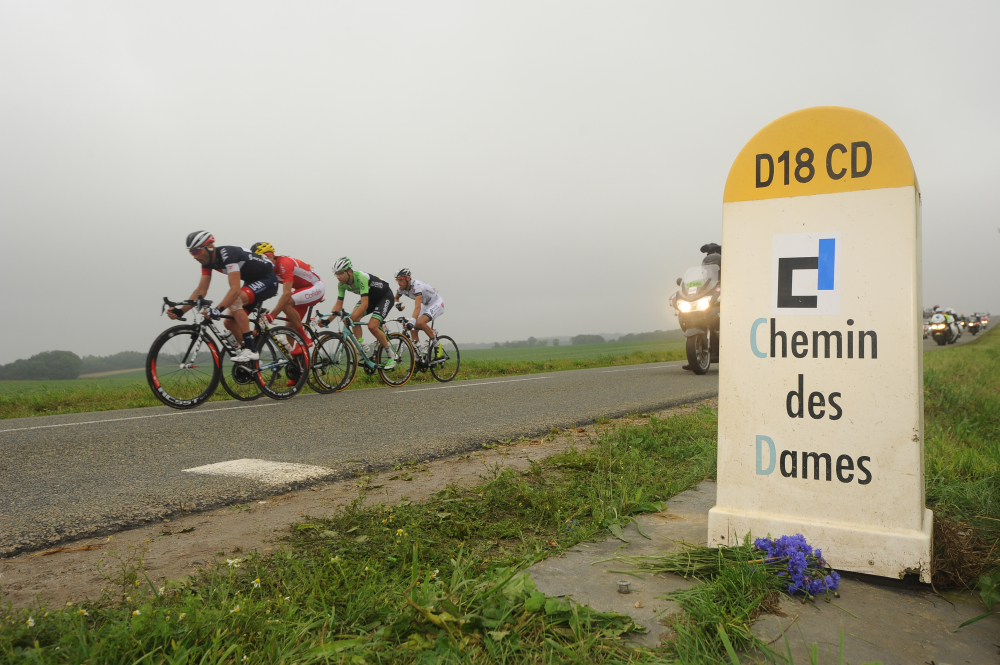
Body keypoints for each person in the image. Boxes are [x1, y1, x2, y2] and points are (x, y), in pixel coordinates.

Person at [169, 231, 278, 362]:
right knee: (229, 322)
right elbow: (201, 290)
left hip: (268, 280)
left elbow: (235, 289)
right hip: (251, 282)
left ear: (209, 247)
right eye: (191, 252)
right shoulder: (207, 263)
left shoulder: (228, 255)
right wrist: (181, 310)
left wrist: (217, 309)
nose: (194, 256)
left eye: (196, 251)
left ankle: (251, 350)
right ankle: (252, 361)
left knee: (234, 302)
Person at [320, 257, 399, 370]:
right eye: (336, 274)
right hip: (370, 298)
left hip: (384, 297)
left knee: (371, 326)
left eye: (341, 273)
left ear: (349, 271)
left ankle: (392, 355)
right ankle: (362, 348)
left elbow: (365, 305)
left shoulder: (361, 277)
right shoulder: (341, 284)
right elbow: (338, 305)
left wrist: (351, 318)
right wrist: (327, 320)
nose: (338, 277)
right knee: (353, 317)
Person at [250, 242, 325, 356]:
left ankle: (305, 339)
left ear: (270, 256)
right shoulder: (268, 270)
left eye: (260, 259)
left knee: (285, 303)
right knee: (289, 328)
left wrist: (272, 315)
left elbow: (286, 295)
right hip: (302, 291)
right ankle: (297, 364)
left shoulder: (284, 263)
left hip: (316, 287)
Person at [392, 268, 444, 358]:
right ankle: (417, 357)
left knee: (419, 322)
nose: (398, 283)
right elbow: (396, 298)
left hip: (436, 303)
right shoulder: (400, 288)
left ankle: (437, 344)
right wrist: (397, 305)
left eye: (401, 280)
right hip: (426, 304)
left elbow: (417, 307)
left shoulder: (417, 286)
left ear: (408, 278)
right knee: (413, 329)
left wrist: (412, 321)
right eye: (397, 280)